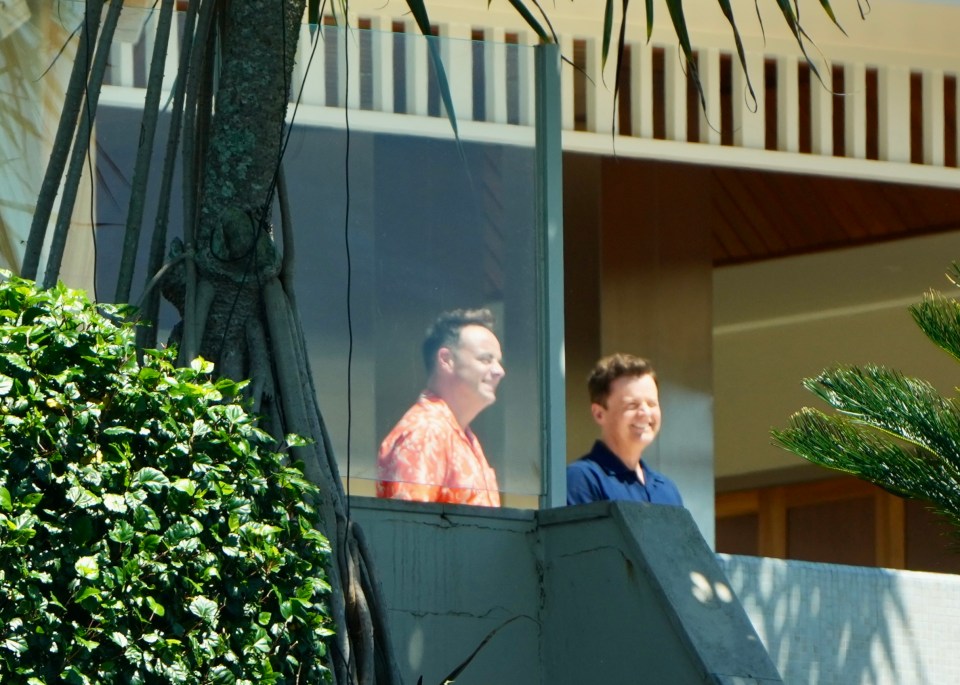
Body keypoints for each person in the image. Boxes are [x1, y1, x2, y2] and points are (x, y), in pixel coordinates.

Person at [376, 308, 505, 506]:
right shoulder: (427, 431)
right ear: (446, 359)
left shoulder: (457, 434)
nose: (499, 371)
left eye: (498, 361)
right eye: (485, 360)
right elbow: (412, 530)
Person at [567, 353, 683, 506]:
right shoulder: (581, 479)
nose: (645, 413)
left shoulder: (667, 490)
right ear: (599, 414)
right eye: (632, 405)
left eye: (651, 404)